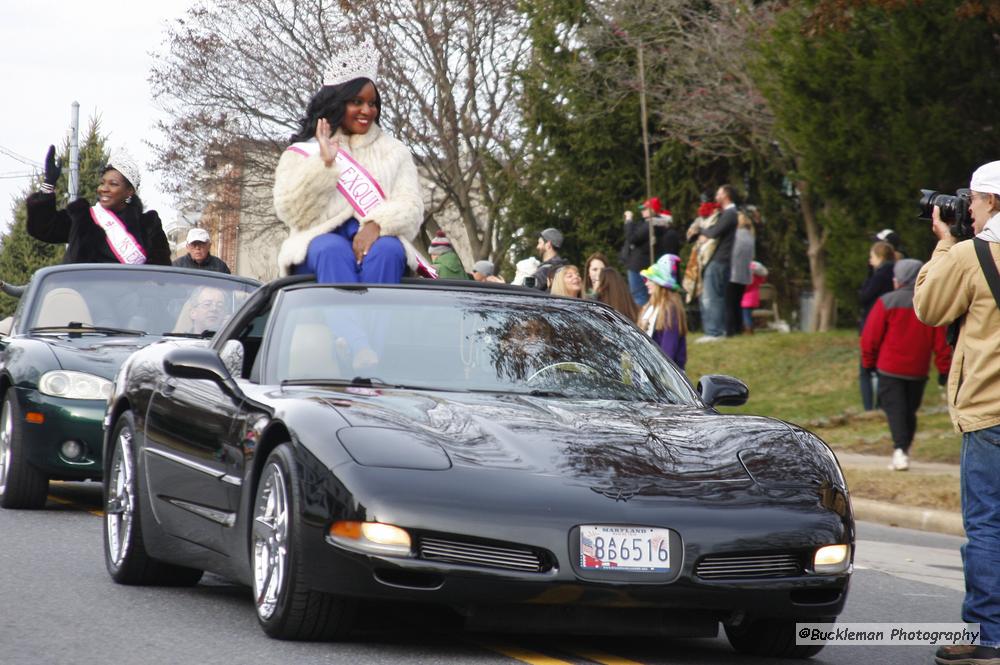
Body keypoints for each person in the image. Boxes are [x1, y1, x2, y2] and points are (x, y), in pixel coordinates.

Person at [913, 160, 1000, 665]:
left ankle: (988, 635)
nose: (968, 207)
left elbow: (928, 307)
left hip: (990, 411)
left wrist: (945, 242)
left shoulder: (971, 254)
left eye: (973, 199)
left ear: (990, 202)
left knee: (988, 526)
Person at [273, 39, 423, 283]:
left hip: (379, 240)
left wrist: (377, 224)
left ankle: (375, 321)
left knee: (388, 250)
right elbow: (292, 212)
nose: (367, 110)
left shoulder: (395, 151)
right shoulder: (303, 151)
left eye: (372, 103)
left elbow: (411, 206)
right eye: (357, 102)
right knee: (332, 250)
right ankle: (350, 323)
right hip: (317, 244)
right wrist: (324, 165)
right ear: (337, 102)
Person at [861, 258, 951, 472]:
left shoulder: (886, 302)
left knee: (896, 411)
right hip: (918, 370)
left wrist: (868, 362)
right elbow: (941, 341)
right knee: (909, 411)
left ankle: (900, 449)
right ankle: (903, 449)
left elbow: (870, 337)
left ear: (900, 279)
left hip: (890, 368)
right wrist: (943, 368)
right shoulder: (928, 304)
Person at [26, 146, 170, 266]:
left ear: (129, 191)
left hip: (132, 298)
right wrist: (48, 184)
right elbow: (43, 228)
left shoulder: (148, 225)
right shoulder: (83, 217)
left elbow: (160, 274)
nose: (104, 188)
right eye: (102, 183)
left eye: (113, 184)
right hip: (83, 296)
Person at [696, 185, 740, 342]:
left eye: (719, 193)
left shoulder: (729, 214)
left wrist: (703, 233)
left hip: (718, 259)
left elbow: (714, 232)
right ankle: (717, 331)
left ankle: (714, 332)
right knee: (717, 297)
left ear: (726, 195)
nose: (716, 196)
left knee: (711, 297)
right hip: (722, 260)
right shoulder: (729, 214)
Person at [858, 241, 897, 410]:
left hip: (873, 322)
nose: (869, 260)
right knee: (883, 368)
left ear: (879, 257)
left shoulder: (879, 276)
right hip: (891, 325)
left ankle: (869, 407)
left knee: (865, 369)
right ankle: (882, 404)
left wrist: (869, 276)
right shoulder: (896, 272)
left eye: (872, 256)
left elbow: (864, 296)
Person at [621, 198, 679, 307]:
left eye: (645, 208)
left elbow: (631, 237)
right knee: (642, 296)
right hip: (640, 265)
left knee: (640, 297)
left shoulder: (652, 224)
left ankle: (642, 322)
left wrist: (628, 220)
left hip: (638, 266)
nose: (642, 211)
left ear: (653, 209)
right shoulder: (651, 223)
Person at [638, 254, 687, 369]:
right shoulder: (650, 307)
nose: (646, 283)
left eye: (651, 280)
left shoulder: (670, 310)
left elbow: (668, 349)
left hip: (664, 375)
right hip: (649, 372)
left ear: (660, 284)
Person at [727, 208, 756, 336]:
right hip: (745, 274)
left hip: (733, 271)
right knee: (738, 302)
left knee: (729, 302)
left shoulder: (735, 235)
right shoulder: (750, 236)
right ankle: (739, 327)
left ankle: (730, 329)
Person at [740, 261, 768, 333]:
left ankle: (748, 331)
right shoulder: (758, 277)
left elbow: (745, 288)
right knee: (749, 316)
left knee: (746, 317)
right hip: (754, 299)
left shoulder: (748, 278)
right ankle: (751, 330)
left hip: (746, 300)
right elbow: (762, 280)